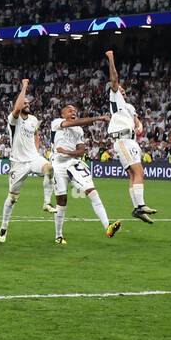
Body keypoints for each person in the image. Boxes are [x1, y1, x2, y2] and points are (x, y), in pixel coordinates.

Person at [49, 104, 122, 245]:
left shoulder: (78, 130)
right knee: (61, 200)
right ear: (63, 114)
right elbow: (73, 122)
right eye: (70, 110)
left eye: (75, 110)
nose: (73, 112)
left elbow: (81, 151)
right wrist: (99, 118)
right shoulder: (56, 123)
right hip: (57, 165)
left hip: (73, 163)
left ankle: (108, 227)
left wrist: (67, 152)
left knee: (92, 192)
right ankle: (58, 235)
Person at [0, 79, 57, 243]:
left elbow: (36, 134)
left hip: (33, 158)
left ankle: (46, 203)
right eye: (24, 102)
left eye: (28, 102)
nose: (27, 103)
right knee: (12, 198)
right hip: (18, 163)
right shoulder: (13, 119)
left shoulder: (33, 119)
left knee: (49, 168)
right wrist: (24, 86)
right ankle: (4, 227)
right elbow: (17, 108)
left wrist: (37, 151)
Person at [105, 50, 157, 223]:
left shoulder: (129, 106)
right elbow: (114, 78)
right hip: (122, 140)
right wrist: (111, 58)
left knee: (133, 175)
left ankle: (138, 208)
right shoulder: (115, 97)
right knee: (139, 171)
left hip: (132, 140)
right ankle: (140, 206)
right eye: (119, 87)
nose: (121, 89)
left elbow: (137, 122)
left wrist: (139, 125)